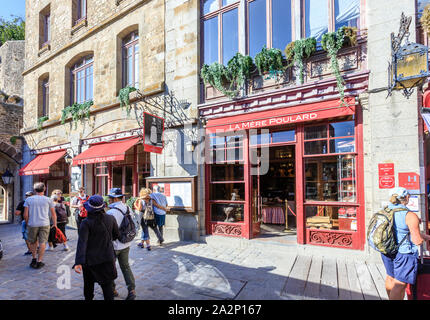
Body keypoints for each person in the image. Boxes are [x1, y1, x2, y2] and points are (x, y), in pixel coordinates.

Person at [381, 187, 430, 300]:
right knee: (400, 284)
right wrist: (417, 227)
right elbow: (417, 240)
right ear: (407, 197)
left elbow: (400, 230)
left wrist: (426, 236)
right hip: (403, 254)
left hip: (387, 250)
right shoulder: (409, 215)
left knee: (390, 277)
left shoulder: (385, 210)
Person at [73, 195, 119, 301]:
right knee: (107, 287)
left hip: (90, 260)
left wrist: (78, 262)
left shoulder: (86, 222)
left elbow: (82, 243)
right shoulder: (110, 218)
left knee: (89, 287)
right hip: (107, 257)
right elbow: (116, 235)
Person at [106, 188, 136, 300]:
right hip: (126, 243)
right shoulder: (127, 208)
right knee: (126, 267)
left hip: (114, 245)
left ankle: (112, 290)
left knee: (110, 268)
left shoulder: (110, 212)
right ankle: (132, 290)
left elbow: (108, 231)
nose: (108, 200)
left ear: (114, 198)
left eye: (109, 198)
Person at [23, 182, 57, 269]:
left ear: (34, 190)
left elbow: (25, 214)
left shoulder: (29, 200)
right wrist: (55, 224)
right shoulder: (48, 199)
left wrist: (27, 223)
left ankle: (34, 258)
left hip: (32, 223)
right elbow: (53, 214)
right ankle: (39, 261)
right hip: (44, 223)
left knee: (33, 242)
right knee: (42, 242)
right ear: (44, 189)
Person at [14, 191, 34, 255]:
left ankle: (30, 250)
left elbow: (17, 213)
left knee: (26, 236)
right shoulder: (36, 203)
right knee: (36, 236)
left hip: (26, 221)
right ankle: (36, 248)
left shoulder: (23, 202)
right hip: (37, 221)